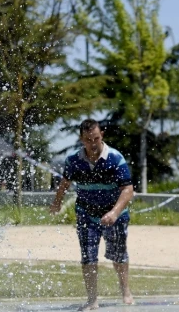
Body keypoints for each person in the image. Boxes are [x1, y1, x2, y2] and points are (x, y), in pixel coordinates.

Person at [50, 119, 135, 311]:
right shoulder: (73, 160)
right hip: (86, 214)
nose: (93, 143)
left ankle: (126, 290)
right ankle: (92, 299)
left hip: (115, 216)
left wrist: (114, 213)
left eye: (96, 138)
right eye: (88, 140)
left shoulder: (115, 158)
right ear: (82, 139)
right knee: (88, 257)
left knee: (118, 256)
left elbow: (128, 190)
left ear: (101, 135)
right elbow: (65, 183)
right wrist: (57, 202)